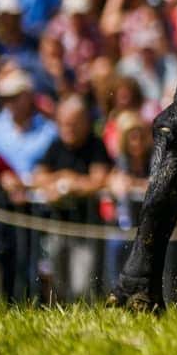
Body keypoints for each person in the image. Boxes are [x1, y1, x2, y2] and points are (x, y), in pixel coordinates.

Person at [30, 95, 112, 300]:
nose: (69, 129)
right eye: (64, 124)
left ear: (86, 122)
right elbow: (38, 176)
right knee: (58, 282)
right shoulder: (56, 144)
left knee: (82, 284)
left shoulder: (96, 145)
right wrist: (58, 180)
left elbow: (99, 180)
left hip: (87, 230)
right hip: (58, 227)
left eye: (74, 124)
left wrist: (72, 183)